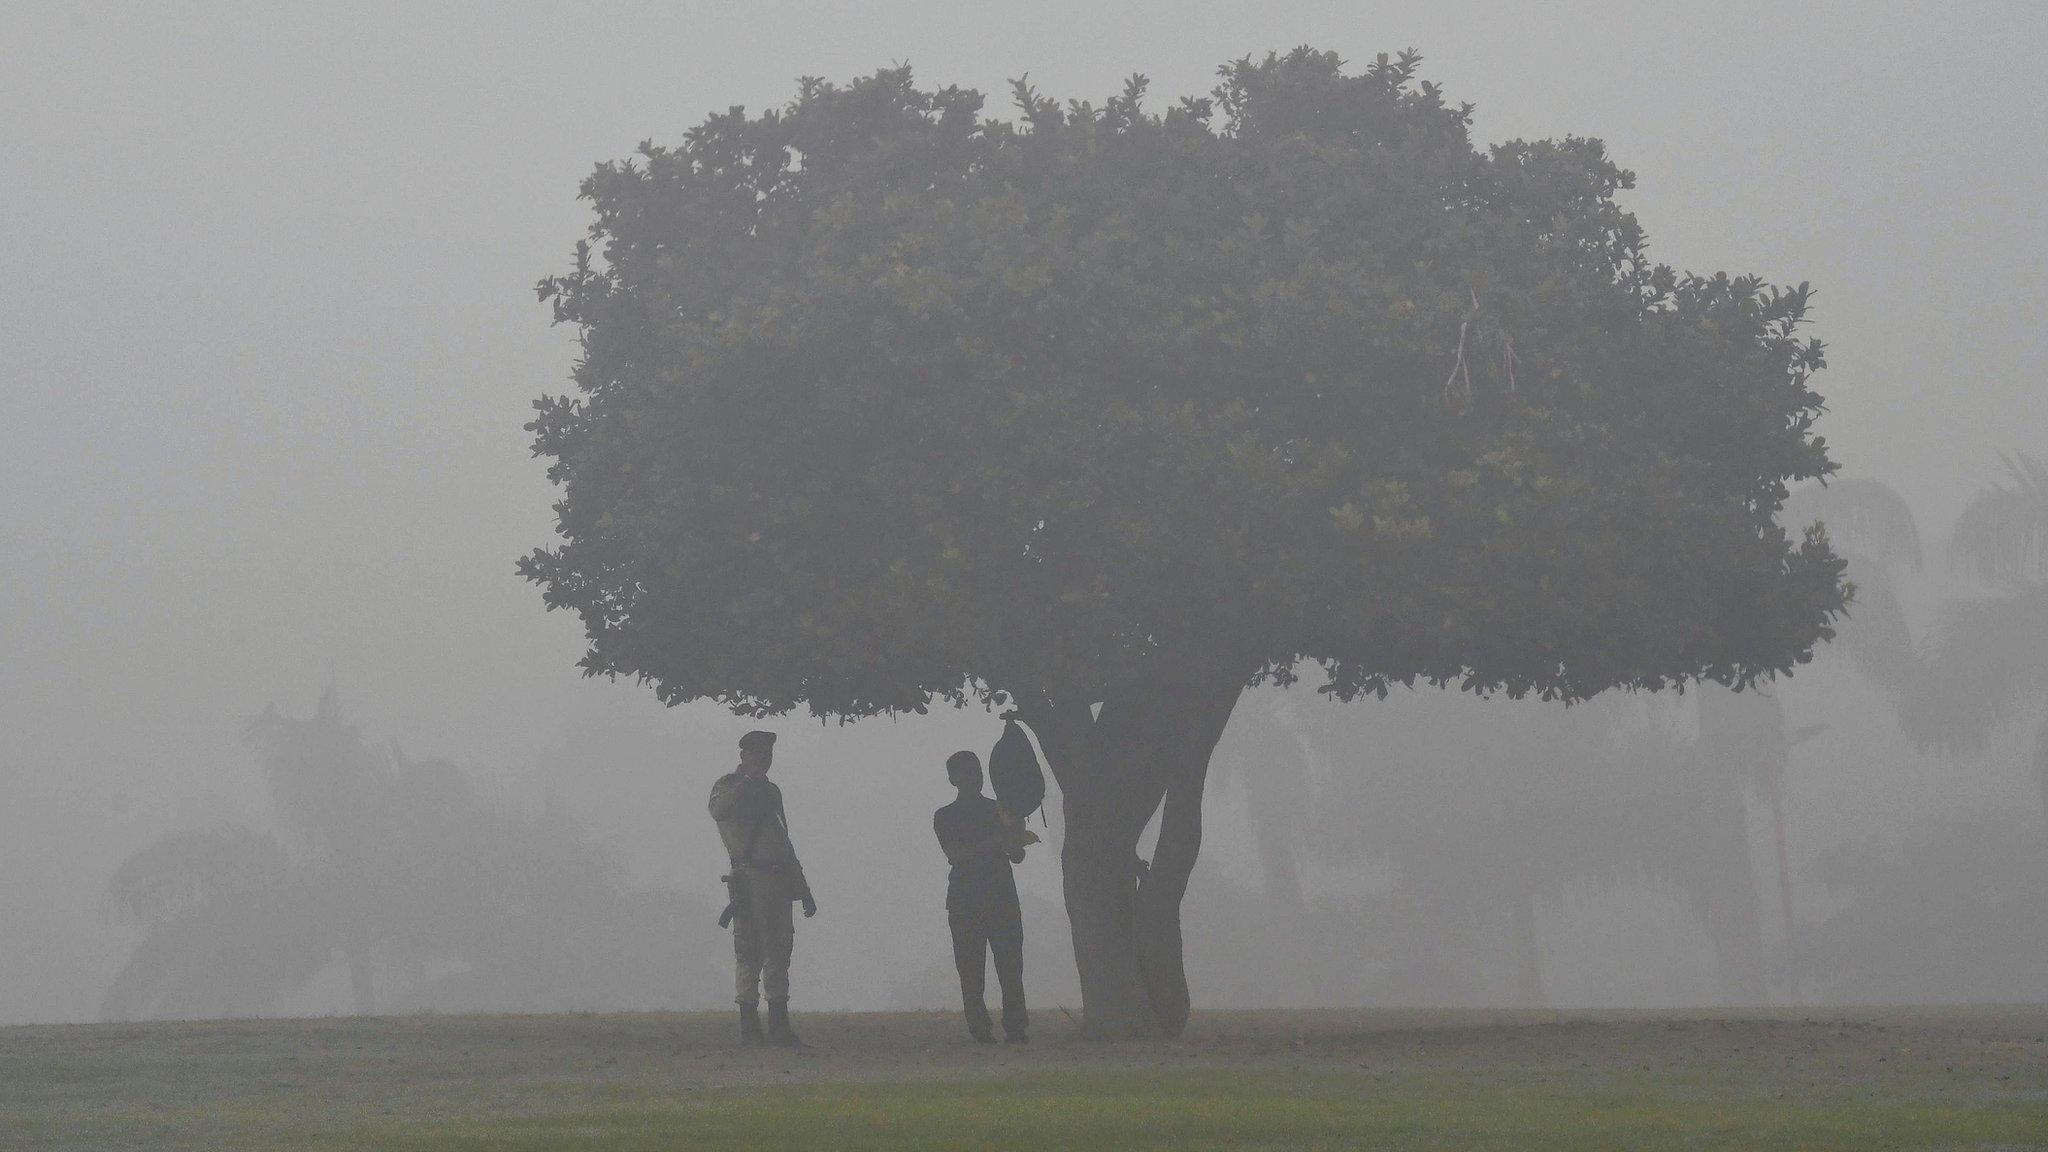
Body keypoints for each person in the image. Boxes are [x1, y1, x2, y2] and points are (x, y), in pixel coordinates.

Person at [709, 730, 815, 1046]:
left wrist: (803, 888)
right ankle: (750, 1028)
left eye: (767, 755)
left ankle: (779, 1027)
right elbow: (719, 811)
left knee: (779, 951)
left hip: (777, 879)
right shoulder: (727, 785)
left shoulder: (772, 792)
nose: (763, 759)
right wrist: (747, 782)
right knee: (748, 951)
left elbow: (783, 841)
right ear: (743, 756)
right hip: (748, 876)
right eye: (757, 754)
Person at [933, 750, 1035, 1043]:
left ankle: (1016, 1027)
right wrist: (997, 841)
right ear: (953, 779)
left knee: (1011, 967)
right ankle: (980, 1029)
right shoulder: (945, 817)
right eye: (965, 773)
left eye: (975, 772)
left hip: (1000, 896)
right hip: (967, 901)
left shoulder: (1000, 809)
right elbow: (955, 855)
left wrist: (1016, 836)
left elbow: (1016, 856)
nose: (973, 778)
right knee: (971, 970)